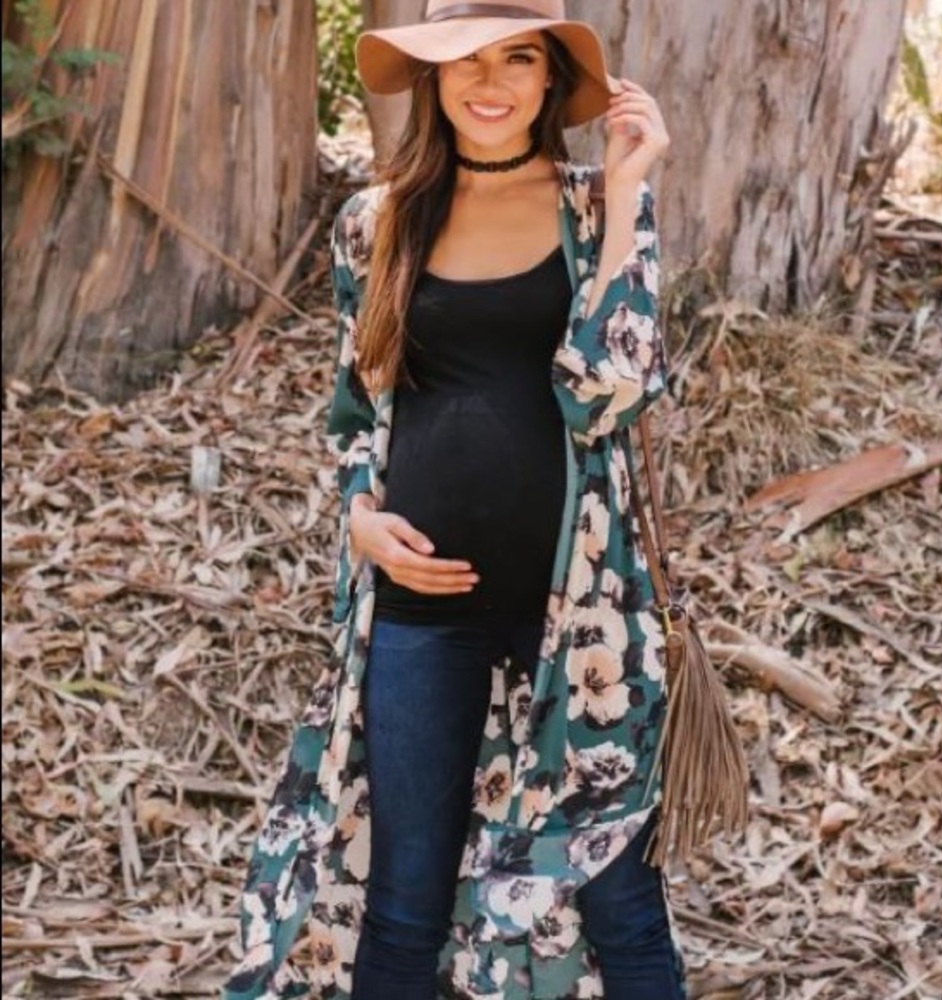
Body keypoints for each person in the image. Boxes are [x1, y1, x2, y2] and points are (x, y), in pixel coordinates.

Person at [226, 2, 685, 998]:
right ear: (431, 78)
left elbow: (604, 390)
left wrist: (624, 190)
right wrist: (358, 519)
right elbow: (355, 416)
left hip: (582, 620)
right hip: (418, 611)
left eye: (518, 58)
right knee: (404, 905)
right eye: (463, 59)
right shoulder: (375, 221)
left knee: (620, 903)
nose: (492, 82)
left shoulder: (597, 204)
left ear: (550, 80)